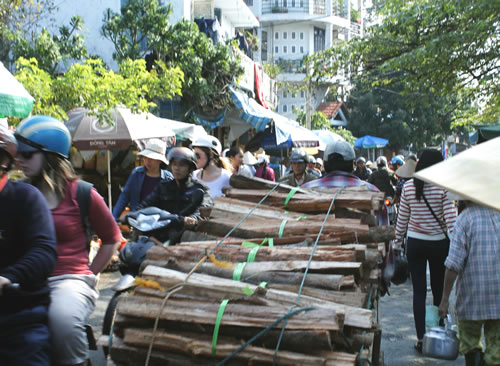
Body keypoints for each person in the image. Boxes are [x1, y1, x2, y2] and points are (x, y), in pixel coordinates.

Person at [15, 115, 122, 366]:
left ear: (50, 156)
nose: (19, 160)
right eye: (18, 153)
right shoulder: (18, 193)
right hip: (23, 277)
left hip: (68, 279)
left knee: (62, 321)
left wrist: (90, 273)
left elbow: (112, 238)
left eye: (27, 154)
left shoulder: (83, 193)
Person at [0, 125, 58, 366]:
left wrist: (8, 277)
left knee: (67, 326)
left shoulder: (26, 198)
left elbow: (44, 251)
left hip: (18, 316)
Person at [394, 149, 457, 353]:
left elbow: (402, 219)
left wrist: (396, 243)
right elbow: (451, 222)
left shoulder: (409, 186)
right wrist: (459, 245)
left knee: (418, 293)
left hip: (415, 244)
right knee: (438, 292)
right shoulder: (443, 188)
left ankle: (421, 338)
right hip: (438, 245)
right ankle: (436, 335)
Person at [438, 203, 500, 366]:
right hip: (498, 297)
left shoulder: (465, 219)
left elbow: (453, 264)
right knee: (496, 351)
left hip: (472, 297)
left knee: (470, 343)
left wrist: (444, 299)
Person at [132, 147, 213, 244]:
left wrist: (192, 220)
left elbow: (202, 212)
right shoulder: (163, 187)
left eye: (182, 165)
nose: (177, 168)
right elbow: (146, 204)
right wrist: (132, 214)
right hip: (160, 235)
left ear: (190, 168)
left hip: (186, 238)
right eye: (174, 164)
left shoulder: (201, 190)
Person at [112, 138, 173, 220]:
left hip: (160, 221)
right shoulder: (136, 173)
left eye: (152, 158)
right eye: (146, 157)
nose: (148, 161)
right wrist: (113, 218)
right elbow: (125, 196)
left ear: (160, 160)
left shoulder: (168, 178)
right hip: (137, 220)